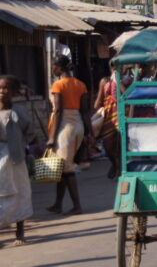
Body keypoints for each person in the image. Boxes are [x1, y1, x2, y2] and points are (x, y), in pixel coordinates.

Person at [0, 76, 41, 246]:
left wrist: (32, 148)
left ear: (14, 92)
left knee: (20, 192)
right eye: (0, 88)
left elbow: (30, 133)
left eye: (6, 88)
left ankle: (20, 231)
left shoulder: (19, 112)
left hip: (16, 158)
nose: (2, 92)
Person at [46, 56, 90, 215]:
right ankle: (58, 204)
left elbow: (58, 111)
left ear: (59, 68)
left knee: (67, 167)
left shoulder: (58, 85)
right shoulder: (81, 84)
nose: (52, 69)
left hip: (64, 127)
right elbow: (85, 111)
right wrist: (88, 132)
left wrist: (52, 136)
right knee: (64, 167)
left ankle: (77, 206)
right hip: (77, 125)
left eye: (53, 66)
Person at [92, 67, 123, 179]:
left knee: (120, 144)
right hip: (109, 116)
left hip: (122, 114)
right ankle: (115, 165)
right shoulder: (105, 81)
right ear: (110, 68)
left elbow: (125, 95)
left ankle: (120, 167)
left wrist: (118, 82)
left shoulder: (125, 80)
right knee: (108, 145)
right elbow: (98, 102)